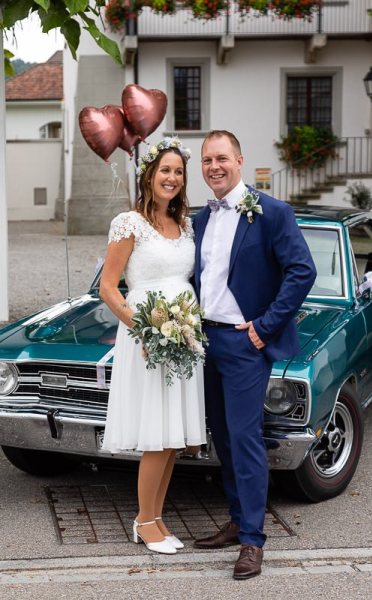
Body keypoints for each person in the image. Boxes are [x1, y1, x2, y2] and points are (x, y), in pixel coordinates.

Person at [192, 130, 316, 579]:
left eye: (222, 158)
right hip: (204, 342)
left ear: (240, 161)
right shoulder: (200, 219)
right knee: (223, 438)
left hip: (244, 343)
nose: (214, 167)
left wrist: (264, 328)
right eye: (207, 160)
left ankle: (252, 541)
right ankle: (236, 519)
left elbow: (302, 271)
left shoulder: (272, 212)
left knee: (245, 439)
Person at [100, 137, 206, 555]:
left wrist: (184, 326)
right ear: (149, 175)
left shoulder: (186, 225)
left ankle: (156, 517)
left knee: (173, 435)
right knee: (157, 435)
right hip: (148, 337)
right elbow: (109, 288)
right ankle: (144, 522)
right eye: (165, 170)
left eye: (178, 171)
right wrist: (145, 329)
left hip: (183, 335)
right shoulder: (129, 223)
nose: (172, 177)